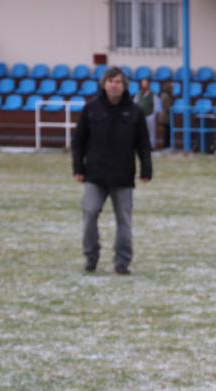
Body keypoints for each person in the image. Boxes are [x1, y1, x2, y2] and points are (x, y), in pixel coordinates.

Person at [71, 66, 152, 275]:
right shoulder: (91, 108)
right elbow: (78, 141)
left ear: (124, 86)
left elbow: (143, 144)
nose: (114, 85)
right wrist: (78, 167)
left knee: (124, 220)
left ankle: (122, 262)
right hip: (95, 175)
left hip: (123, 176)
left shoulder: (135, 112)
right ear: (104, 84)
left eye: (118, 82)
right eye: (110, 81)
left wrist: (146, 169)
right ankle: (91, 257)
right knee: (89, 213)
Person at [135, 78, 157, 148]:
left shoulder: (153, 94)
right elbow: (135, 104)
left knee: (151, 132)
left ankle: (151, 146)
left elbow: (156, 106)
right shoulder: (138, 94)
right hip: (140, 116)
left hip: (150, 115)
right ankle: (141, 146)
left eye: (145, 83)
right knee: (140, 131)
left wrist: (154, 115)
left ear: (148, 85)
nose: (144, 85)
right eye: (143, 83)